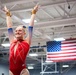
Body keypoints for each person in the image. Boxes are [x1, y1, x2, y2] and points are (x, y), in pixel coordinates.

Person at [4, 4, 39, 75]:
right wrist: (7, 14)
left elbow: (30, 27)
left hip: (22, 71)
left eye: (20, 30)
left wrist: (33, 13)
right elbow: (9, 27)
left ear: (24, 33)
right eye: (16, 31)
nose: (17, 32)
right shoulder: (12, 41)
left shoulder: (27, 41)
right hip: (11, 71)